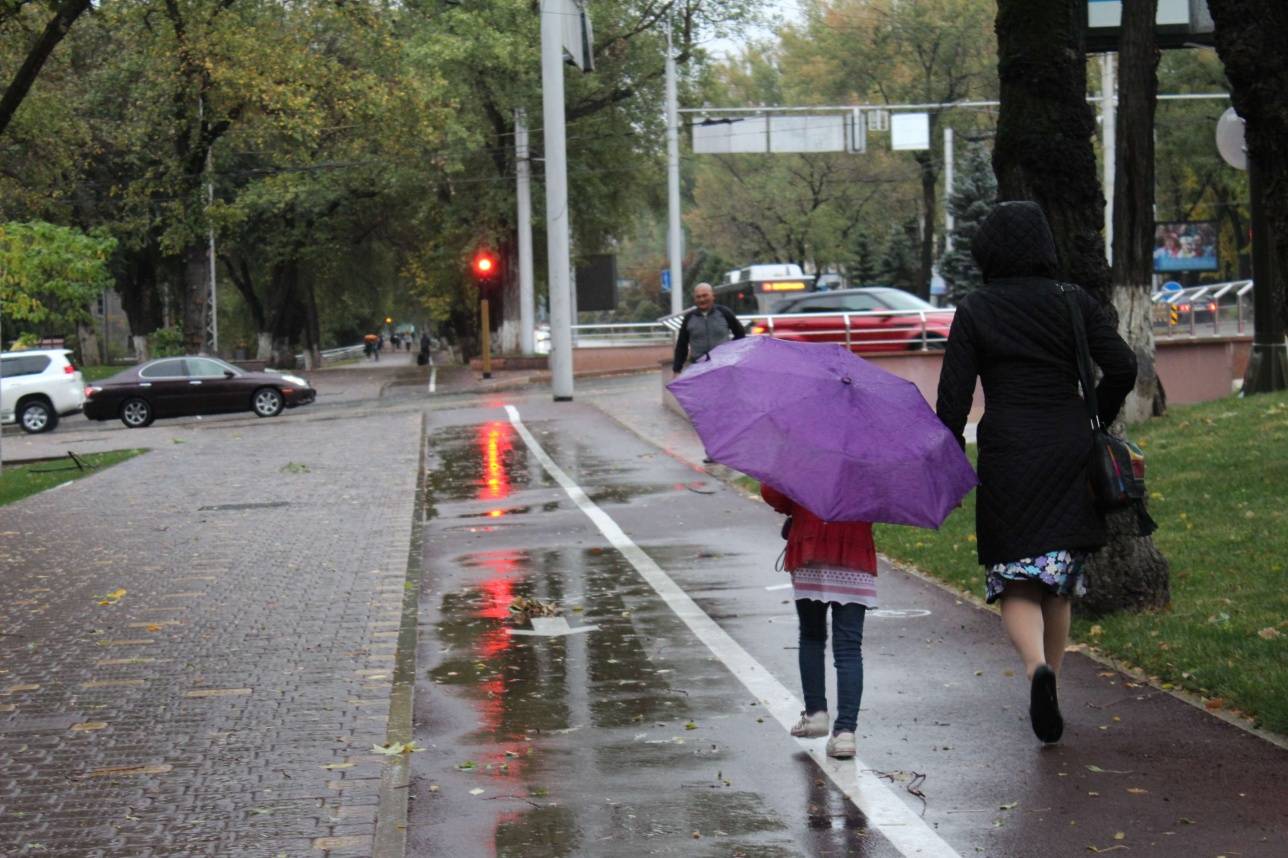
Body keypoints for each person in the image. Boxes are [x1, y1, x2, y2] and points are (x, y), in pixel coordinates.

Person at [935, 201, 1137, 745]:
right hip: (1068, 443)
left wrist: (948, 455)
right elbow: (1123, 365)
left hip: (1008, 449)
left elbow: (953, 399)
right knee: (1059, 581)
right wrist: (1094, 409)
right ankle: (1056, 678)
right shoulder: (1074, 301)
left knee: (1015, 577)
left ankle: (1034, 672)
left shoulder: (976, 308)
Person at [761, 483, 878, 760]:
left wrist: (793, 505)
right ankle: (846, 733)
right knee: (849, 647)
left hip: (809, 544)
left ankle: (815, 714)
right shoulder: (871, 457)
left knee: (812, 636)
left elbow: (771, 490)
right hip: (854, 551)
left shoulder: (805, 448)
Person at [671, 282, 746, 374]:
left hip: (723, 366)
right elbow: (682, 345)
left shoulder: (724, 313)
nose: (702, 299)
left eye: (705, 295)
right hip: (698, 368)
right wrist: (676, 369)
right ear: (694, 298)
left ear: (713, 296)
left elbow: (740, 335)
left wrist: (729, 350)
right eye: (698, 297)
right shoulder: (689, 318)